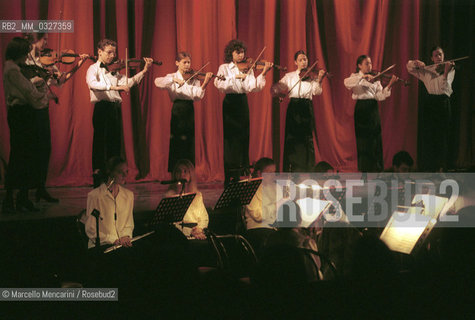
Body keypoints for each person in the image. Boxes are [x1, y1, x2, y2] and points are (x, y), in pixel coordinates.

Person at [25, 33, 89, 203]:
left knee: (45, 148)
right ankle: (23, 192)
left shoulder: (49, 62)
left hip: (43, 108)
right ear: (34, 40)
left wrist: (78, 65)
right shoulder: (25, 62)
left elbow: (61, 80)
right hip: (28, 109)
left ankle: (41, 188)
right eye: (44, 39)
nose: (47, 42)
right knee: (29, 150)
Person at [86, 39, 152, 187]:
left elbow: (129, 82)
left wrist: (144, 70)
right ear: (100, 52)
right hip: (102, 108)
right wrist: (114, 88)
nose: (113, 56)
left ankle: (113, 179)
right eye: (109, 52)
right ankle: (98, 179)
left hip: (115, 109)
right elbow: (93, 85)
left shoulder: (114, 72)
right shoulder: (93, 69)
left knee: (114, 145)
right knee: (100, 144)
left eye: (114, 53)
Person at [214, 39, 273, 185]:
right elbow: (219, 84)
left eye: (242, 52)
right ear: (231, 54)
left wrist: (264, 73)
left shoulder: (248, 67)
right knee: (230, 138)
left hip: (242, 102)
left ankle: (242, 171)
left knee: (243, 136)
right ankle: (230, 173)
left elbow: (253, 86)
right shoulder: (224, 68)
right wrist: (235, 77)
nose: (241, 55)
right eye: (237, 52)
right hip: (229, 102)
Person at [2, 37, 49, 213]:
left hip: (22, 113)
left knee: (26, 156)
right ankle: (11, 200)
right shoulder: (13, 69)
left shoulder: (15, 67)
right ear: (19, 53)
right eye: (24, 53)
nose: (26, 57)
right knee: (20, 156)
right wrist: (38, 81)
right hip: (20, 114)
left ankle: (21, 198)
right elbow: (30, 93)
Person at [154, 52, 213, 172]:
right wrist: (174, 79)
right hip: (177, 108)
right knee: (177, 141)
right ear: (177, 63)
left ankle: (188, 172)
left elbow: (197, 96)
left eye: (189, 62)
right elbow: (158, 82)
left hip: (189, 109)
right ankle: (176, 173)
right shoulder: (171, 76)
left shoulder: (194, 77)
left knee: (189, 141)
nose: (187, 65)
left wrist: (205, 83)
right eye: (184, 62)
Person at [344, 55, 397, 172]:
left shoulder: (376, 78)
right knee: (363, 140)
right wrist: (362, 78)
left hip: (373, 108)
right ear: (359, 65)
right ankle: (365, 169)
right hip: (361, 108)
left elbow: (379, 96)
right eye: (366, 63)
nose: (370, 66)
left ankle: (376, 169)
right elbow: (347, 83)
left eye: (370, 63)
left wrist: (390, 85)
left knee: (375, 138)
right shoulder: (355, 76)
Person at [407, 46, 455, 172]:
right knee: (430, 136)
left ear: (443, 56)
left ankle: (442, 167)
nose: (438, 57)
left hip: (443, 102)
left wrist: (445, 72)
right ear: (431, 58)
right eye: (436, 55)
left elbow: (445, 88)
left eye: (440, 54)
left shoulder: (450, 69)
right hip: (431, 104)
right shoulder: (426, 71)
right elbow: (409, 67)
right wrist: (418, 63)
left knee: (442, 136)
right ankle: (431, 167)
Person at [280, 50, 326, 172]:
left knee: (307, 138)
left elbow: (317, 91)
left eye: (305, 59)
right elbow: (280, 86)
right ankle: (293, 168)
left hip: (306, 106)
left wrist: (320, 79)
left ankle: (308, 168)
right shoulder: (289, 76)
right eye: (300, 60)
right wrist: (279, 91)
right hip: (294, 106)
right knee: (293, 137)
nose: (303, 62)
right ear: (295, 62)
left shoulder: (312, 76)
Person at [85, 157, 134, 249]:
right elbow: (91, 229)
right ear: (110, 172)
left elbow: (129, 224)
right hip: (102, 246)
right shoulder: (95, 196)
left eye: (126, 171)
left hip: (120, 245)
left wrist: (125, 236)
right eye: (120, 172)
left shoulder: (129, 195)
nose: (124, 175)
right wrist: (113, 240)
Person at [165, 159, 209, 240]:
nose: (182, 174)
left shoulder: (197, 195)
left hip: (197, 233)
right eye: (179, 171)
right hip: (181, 236)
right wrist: (190, 232)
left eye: (185, 171)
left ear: (191, 174)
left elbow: (204, 218)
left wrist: (199, 229)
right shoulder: (170, 196)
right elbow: (172, 224)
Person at [244, 157, 277, 256]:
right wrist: (277, 205)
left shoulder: (274, 188)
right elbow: (258, 216)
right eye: (269, 173)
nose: (273, 176)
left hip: (272, 228)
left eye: (274, 172)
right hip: (257, 229)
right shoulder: (251, 188)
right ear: (259, 173)